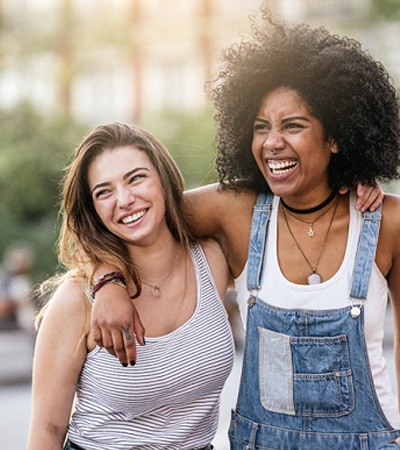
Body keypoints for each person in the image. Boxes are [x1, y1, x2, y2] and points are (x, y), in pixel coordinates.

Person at [90, 12, 400, 449]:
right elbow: (135, 216)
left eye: (293, 125)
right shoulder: (234, 211)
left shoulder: (388, 222)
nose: (271, 142)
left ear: (337, 136)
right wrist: (108, 280)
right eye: (260, 127)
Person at [26, 122, 235, 450]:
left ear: (163, 180)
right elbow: (47, 430)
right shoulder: (76, 300)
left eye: (136, 177)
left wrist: (346, 177)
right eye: (103, 191)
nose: (124, 199)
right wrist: (106, 280)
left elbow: (261, 198)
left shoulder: (213, 259)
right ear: (93, 210)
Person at [0, 243, 34, 331]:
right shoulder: (6, 279)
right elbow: (2, 305)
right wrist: (18, 301)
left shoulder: (26, 279)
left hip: (24, 328)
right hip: (9, 328)